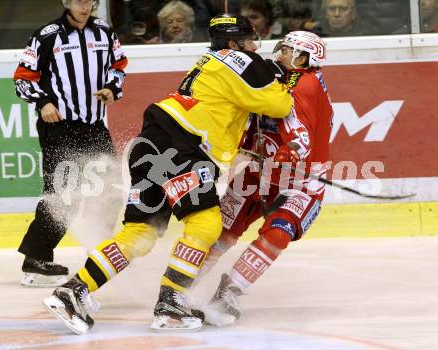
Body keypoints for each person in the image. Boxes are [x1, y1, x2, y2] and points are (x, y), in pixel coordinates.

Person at [43, 13, 293, 334]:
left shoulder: (212, 63)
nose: (256, 46)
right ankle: (171, 302)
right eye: (249, 40)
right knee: (205, 223)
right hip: (181, 148)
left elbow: (226, 111)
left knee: (140, 235)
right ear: (234, 43)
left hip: (152, 144)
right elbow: (279, 105)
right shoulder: (240, 60)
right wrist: (283, 75)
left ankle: (72, 291)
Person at [194, 31, 333, 325]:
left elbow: (301, 139)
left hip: (300, 180)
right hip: (259, 173)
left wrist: (288, 153)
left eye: (287, 50)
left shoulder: (304, 85)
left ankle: (229, 291)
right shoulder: (279, 79)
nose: (279, 54)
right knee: (223, 231)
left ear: (304, 58)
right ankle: (181, 284)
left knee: (278, 233)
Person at [13, 0, 128, 288]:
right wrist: (43, 102)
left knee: (111, 189)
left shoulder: (104, 32)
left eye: (90, 0)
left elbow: (119, 66)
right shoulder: (47, 35)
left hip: (94, 125)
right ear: (66, 2)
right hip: (59, 126)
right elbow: (23, 79)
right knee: (64, 193)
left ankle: (99, 253)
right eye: (78, 0)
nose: (85, 5)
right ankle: (36, 259)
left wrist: (112, 88)